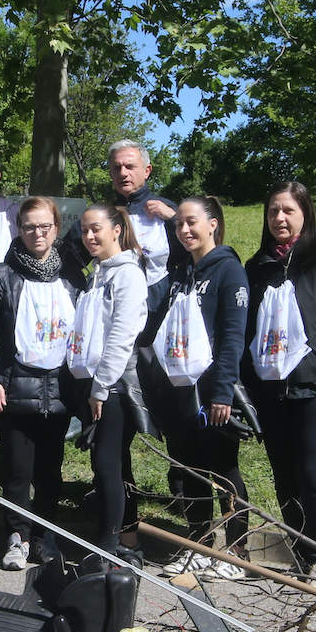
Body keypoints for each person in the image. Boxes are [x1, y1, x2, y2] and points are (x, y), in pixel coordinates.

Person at [241, 180, 316, 582]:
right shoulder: (256, 267)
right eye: (273, 210)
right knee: (285, 475)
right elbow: (245, 333)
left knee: (314, 472)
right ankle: (301, 553)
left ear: (305, 214)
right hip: (272, 390)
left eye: (288, 210)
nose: (279, 218)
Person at [0, 196, 82, 570]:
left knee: (51, 471)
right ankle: (16, 537)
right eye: (29, 226)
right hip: (16, 388)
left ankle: (45, 539)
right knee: (17, 471)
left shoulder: (72, 275)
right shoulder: (0, 275)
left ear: (56, 229)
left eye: (44, 226)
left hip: (60, 388)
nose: (37, 233)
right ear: (19, 229)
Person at [143, 196, 251, 580]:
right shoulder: (183, 273)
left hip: (212, 391)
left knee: (224, 469)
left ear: (213, 225)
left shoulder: (229, 271)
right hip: (180, 390)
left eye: (191, 223)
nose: (184, 230)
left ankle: (238, 551)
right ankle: (199, 546)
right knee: (190, 468)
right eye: (179, 225)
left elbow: (232, 337)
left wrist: (222, 392)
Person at [68, 204, 150, 566]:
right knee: (108, 467)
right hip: (93, 384)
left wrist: (100, 388)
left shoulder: (127, 274)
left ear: (117, 230)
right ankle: (116, 543)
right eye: (84, 230)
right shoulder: (99, 273)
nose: (89, 237)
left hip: (113, 387)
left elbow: (121, 337)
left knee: (107, 465)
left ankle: (109, 548)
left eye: (96, 229)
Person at [107, 139, 178, 286]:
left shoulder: (168, 210)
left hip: (159, 303)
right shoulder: (103, 215)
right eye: (117, 168)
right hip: (113, 302)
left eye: (130, 166)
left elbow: (197, 252)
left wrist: (174, 219)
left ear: (147, 171)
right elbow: (71, 254)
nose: (123, 173)